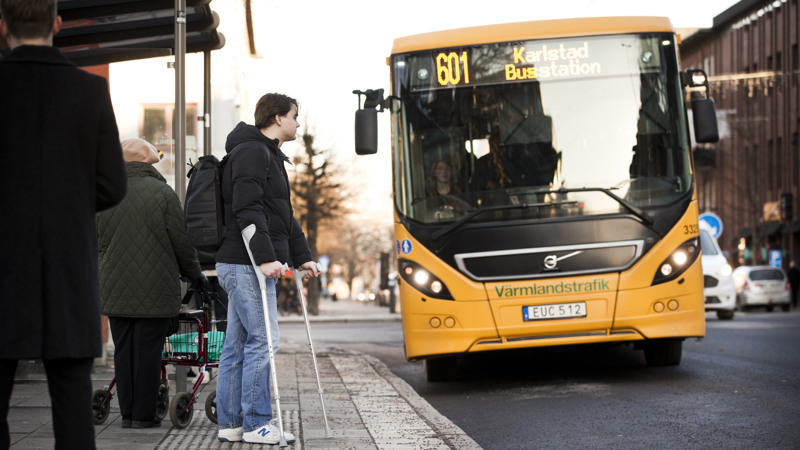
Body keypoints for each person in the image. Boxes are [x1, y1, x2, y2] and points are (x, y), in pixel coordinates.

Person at [0, 1, 128, 448]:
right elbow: (113, 185)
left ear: (3, 27)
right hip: (66, 268)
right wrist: (68, 204)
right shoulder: (89, 91)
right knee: (73, 410)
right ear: (56, 23)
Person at [215, 93, 319, 444]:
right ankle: (257, 423)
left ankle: (230, 423)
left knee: (237, 343)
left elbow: (281, 214)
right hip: (245, 265)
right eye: (295, 116)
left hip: (243, 263)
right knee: (265, 340)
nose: (298, 123)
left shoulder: (268, 154)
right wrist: (264, 258)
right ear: (277, 118)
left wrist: (301, 255)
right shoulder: (252, 152)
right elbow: (248, 210)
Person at [96, 138, 207, 429]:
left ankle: (128, 414)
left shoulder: (105, 194)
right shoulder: (163, 193)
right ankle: (144, 416)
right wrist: (195, 274)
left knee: (123, 351)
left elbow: (93, 242)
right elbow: (181, 243)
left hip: (114, 287)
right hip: (156, 289)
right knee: (148, 352)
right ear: (148, 163)